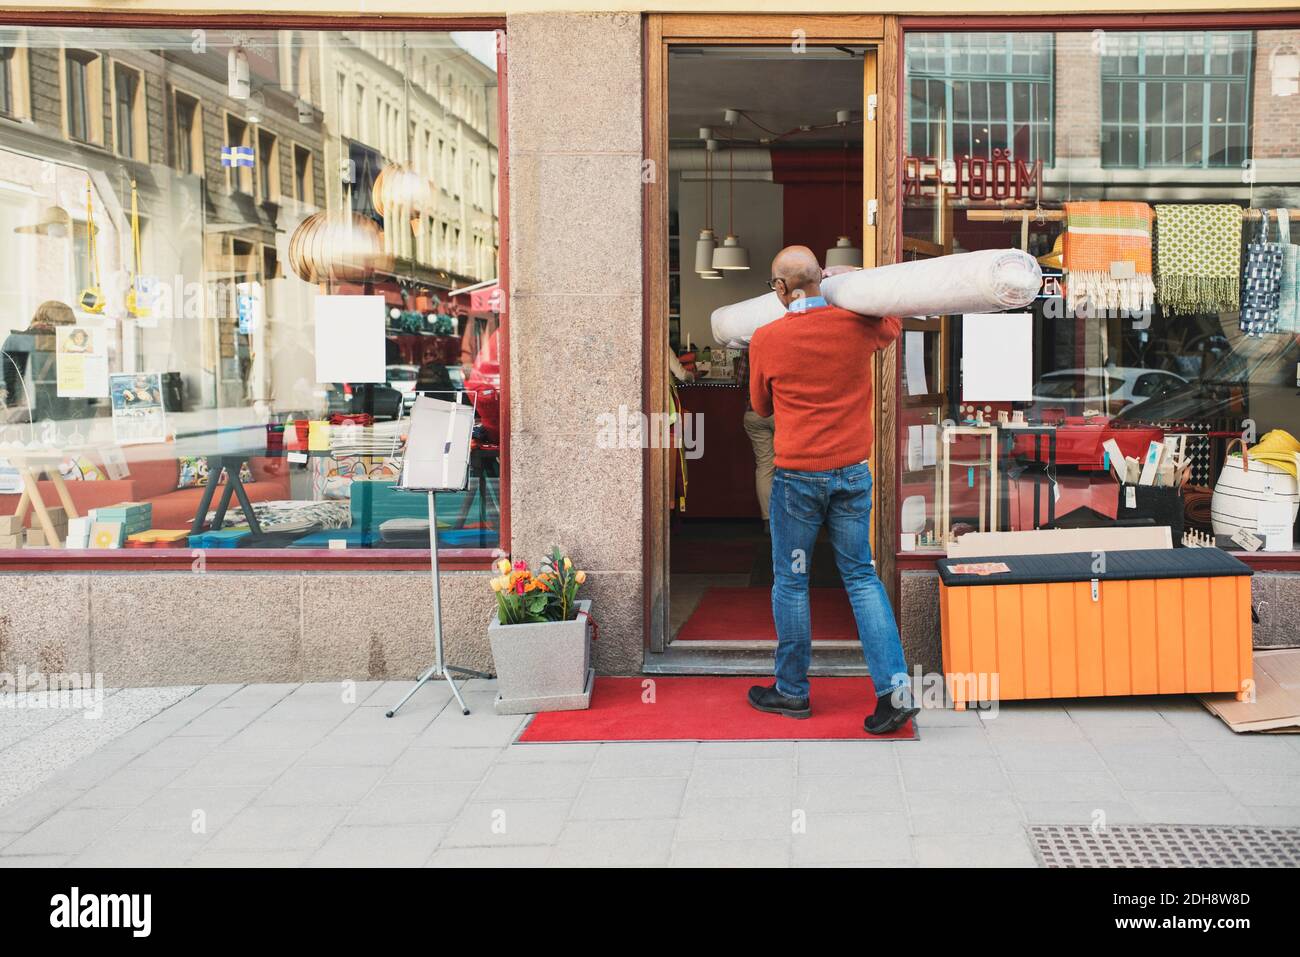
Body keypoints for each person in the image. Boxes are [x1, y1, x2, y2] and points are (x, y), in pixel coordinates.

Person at [746, 245, 917, 735]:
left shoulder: (767, 338)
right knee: (861, 577)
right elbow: (892, 324)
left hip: (798, 476)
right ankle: (896, 691)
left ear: (781, 288)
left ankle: (793, 692)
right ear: (822, 278)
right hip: (852, 472)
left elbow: (760, 407)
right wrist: (853, 279)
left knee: (792, 580)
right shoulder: (857, 324)